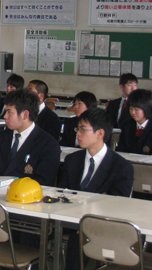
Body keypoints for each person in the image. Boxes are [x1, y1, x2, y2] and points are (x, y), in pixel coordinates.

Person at [58, 108, 133, 270]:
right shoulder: (72, 160)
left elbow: (117, 205)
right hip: (70, 220)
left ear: (100, 133)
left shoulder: (121, 166)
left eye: (83, 130)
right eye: (77, 129)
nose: (78, 134)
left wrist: (88, 223)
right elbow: (61, 192)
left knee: (79, 241)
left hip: (101, 225)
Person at [0, 89, 60, 186]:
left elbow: (44, 181)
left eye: (9, 112)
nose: (5, 116)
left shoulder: (48, 144)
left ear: (25, 115)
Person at [116, 89, 152, 154]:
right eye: (130, 109)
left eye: (136, 109)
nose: (133, 112)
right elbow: (120, 150)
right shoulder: (127, 125)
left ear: (146, 108)